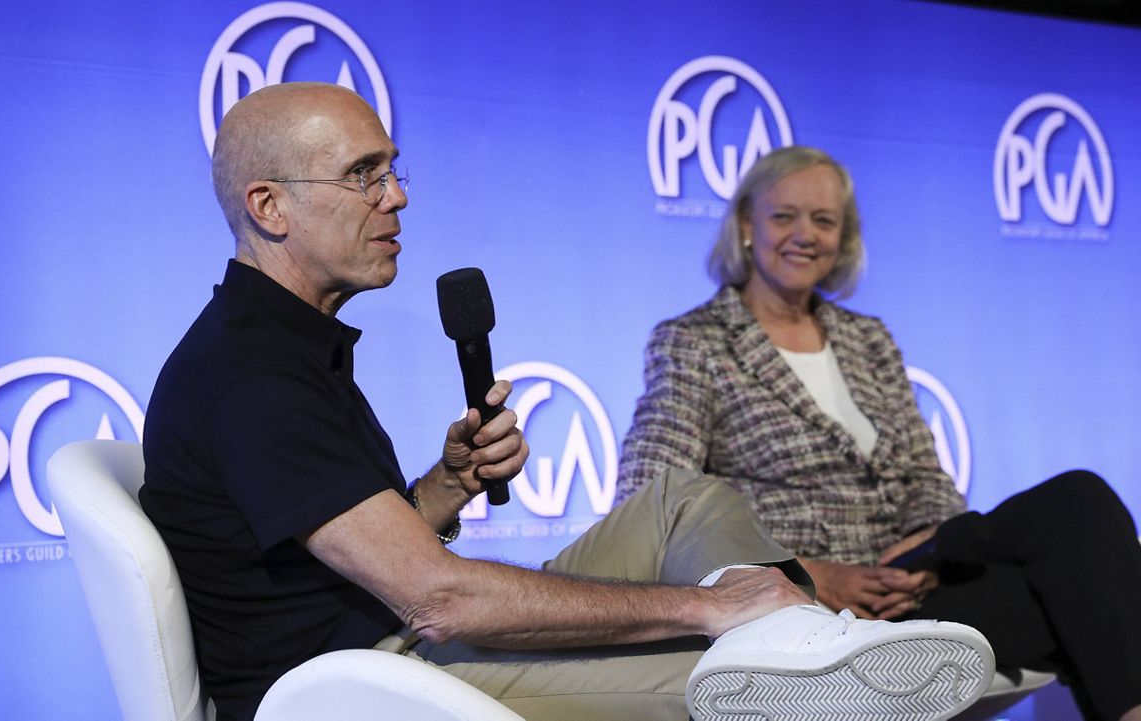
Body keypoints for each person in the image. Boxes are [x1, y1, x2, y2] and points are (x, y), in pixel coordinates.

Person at [141, 84, 995, 721]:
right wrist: (706, 606)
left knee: (682, 502)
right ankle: (788, 647)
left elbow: (342, 551)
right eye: (365, 175)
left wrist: (444, 486)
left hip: (405, 638)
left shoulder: (286, 343)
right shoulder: (250, 376)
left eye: (393, 169)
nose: (396, 195)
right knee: (745, 686)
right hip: (373, 686)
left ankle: (796, 635)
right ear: (269, 206)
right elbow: (438, 597)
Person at [615, 144, 1141, 721]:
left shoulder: (868, 338)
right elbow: (655, 503)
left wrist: (923, 554)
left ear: (844, 237)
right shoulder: (696, 342)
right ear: (746, 225)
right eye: (784, 215)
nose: (805, 234)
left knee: (1080, 533)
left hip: (910, 587)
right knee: (1086, 592)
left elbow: (926, 475)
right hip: (803, 608)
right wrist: (808, 573)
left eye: (824, 220)